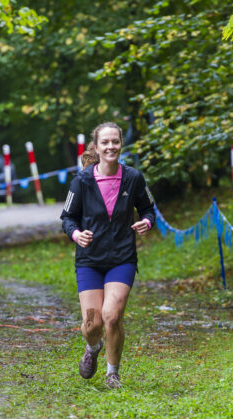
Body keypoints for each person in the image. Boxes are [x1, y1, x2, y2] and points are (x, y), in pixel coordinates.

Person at [60, 121, 156, 389]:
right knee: (92, 323)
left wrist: (146, 223)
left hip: (121, 258)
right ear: (97, 147)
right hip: (89, 261)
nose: (111, 146)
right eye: (105, 142)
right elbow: (67, 217)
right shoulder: (82, 181)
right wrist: (77, 235)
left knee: (112, 316)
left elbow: (149, 210)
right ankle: (93, 347)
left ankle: (112, 373)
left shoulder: (134, 178)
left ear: (121, 145)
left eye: (115, 141)